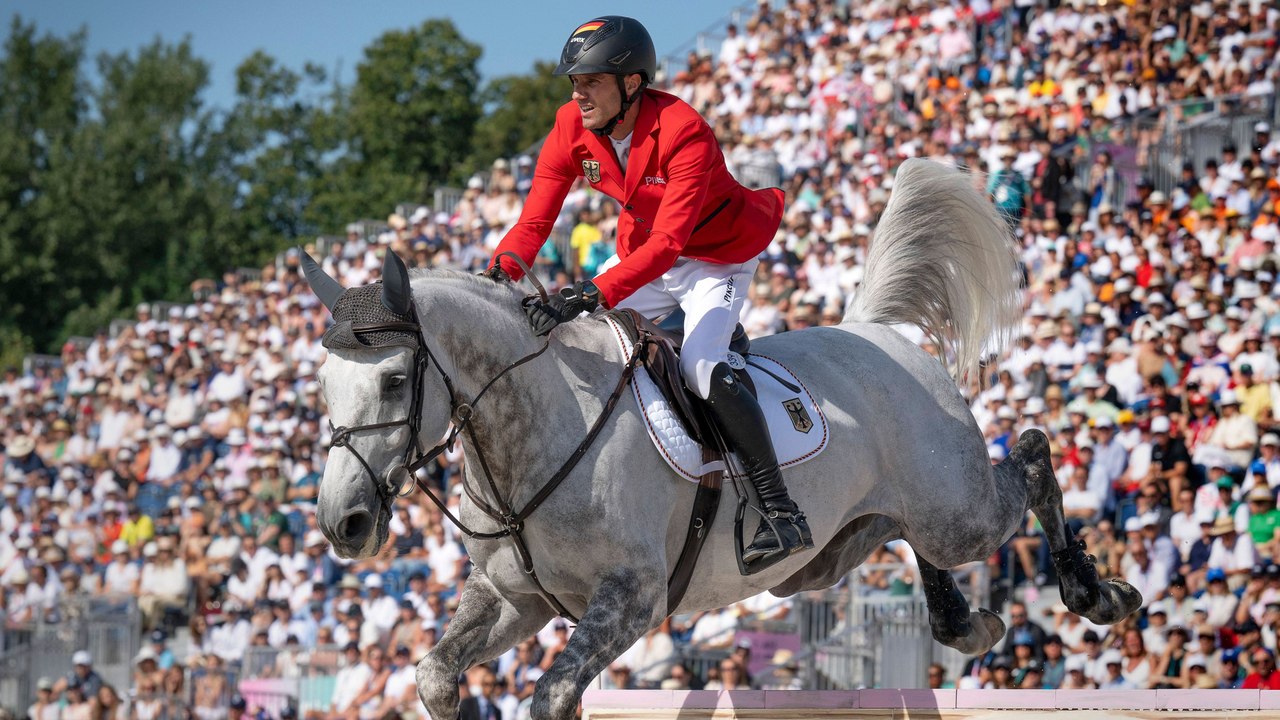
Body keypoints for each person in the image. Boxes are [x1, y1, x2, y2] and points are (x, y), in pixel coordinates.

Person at [487, 15, 811, 571]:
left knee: (702, 363)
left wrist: (592, 291)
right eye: (574, 81)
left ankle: (782, 513)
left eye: (590, 81)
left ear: (631, 82)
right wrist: (496, 279)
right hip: (646, 255)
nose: (578, 92)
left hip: (716, 256)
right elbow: (533, 224)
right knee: (570, 337)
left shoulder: (684, 129)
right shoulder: (571, 127)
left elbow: (671, 242)